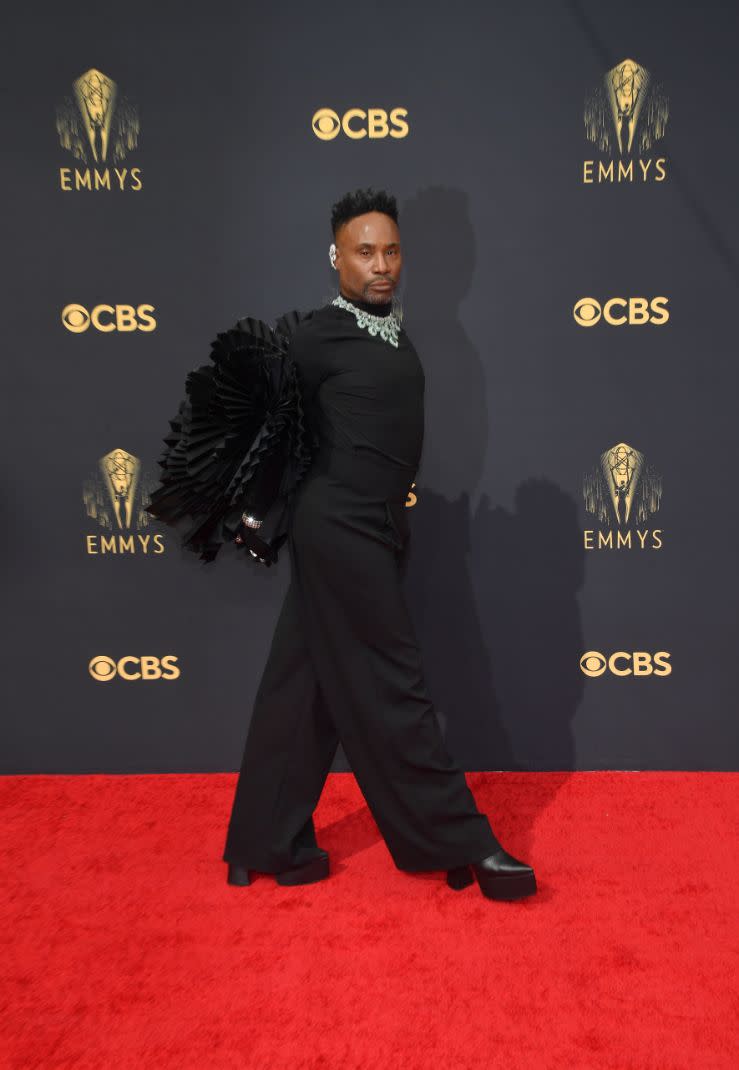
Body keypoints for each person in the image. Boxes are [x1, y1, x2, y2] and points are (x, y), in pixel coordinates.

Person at [218, 187, 537, 901]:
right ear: (335, 258)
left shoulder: (391, 330)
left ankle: (263, 843)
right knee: (395, 682)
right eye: (364, 252)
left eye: (391, 251)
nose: (381, 265)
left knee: (304, 685)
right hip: (338, 526)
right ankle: (461, 841)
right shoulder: (314, 335)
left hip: (378, 523)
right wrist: (251, 508)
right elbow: (262, 418)